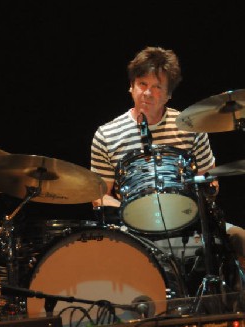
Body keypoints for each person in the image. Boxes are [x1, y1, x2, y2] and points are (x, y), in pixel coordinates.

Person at [90, 46, 245, 290]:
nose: (147, 93)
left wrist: (197, 197)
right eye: (142, 84)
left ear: (168, 94)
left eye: (157, 87)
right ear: (131, 86)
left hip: (187, 221)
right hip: (131, 227)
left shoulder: (191, 126)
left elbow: (211, 182)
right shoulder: (107, 135)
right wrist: (134, 210)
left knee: (240, 239)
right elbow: (99, 197)